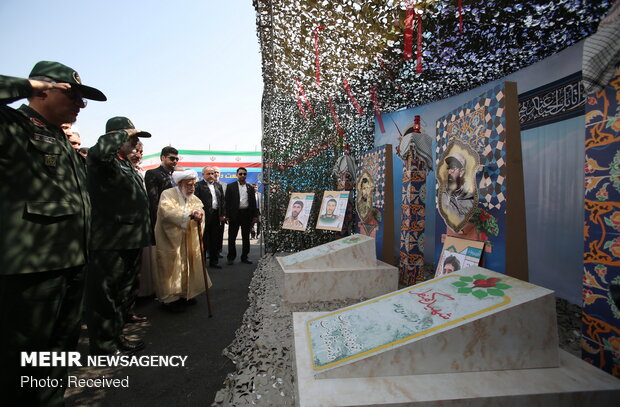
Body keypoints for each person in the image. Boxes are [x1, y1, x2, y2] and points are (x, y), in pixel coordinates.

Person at [0, 61, 106, 406]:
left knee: (59, 352)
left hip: (72, 263)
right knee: (25, 358)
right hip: (32, 270)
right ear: (44, 90)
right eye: (73, 95)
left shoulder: (62, 139)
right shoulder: (13, 127)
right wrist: (28, 85)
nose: (80, 105)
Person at [85, 116, 152, 356]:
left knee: (123, 292)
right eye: (131, 138)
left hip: (131, 238)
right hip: (110, 239)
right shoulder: (104, 161)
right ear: (115, 135)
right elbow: (98, 153)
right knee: (106, 296)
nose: (135, 143)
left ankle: (116, 336)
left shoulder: (125, 163)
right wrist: (121, 134)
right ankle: (103, 346)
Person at [153, 169, 211, 311]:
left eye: (193, 185)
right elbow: (167, 213)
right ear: (180, 185)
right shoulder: (167, 194)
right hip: (170, 240)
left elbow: (200, 208)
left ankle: (185, 294)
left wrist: (199, 214)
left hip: (187, 240)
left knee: (187, 266)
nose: (192, 188)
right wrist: (189, 215)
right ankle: (169, 299)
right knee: (170, 268)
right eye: (189, 185)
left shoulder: (193, 197)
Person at [225, 167, 259, 265]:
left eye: (244, 174)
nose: (242, 175)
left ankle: (245, 257)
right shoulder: (231, 186)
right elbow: (227, 202)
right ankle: (231, 257)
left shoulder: (250, 187)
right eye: (240, 174)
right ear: (237, 175)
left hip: (246, 215)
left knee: (245, 237)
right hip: (234, 215)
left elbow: (253, 203)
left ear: (246, 175)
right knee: (232, 237)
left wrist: (255, 216)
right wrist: (226, 215)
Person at [145, 146, 179, 236]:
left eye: (177, 159)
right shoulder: (152, 173)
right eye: (172, 158)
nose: (175, 161)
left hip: (177, 217)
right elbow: (153, 200)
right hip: (162, 218)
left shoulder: (177, 176)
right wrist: (158, 220)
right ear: (163, 158)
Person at [195, 166, 225, 269]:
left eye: (212, 173)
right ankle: (202, 263)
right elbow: (195, 202)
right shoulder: (198, 185)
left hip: (216, 216)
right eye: (208, 174)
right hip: (204, 216)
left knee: (214, 240)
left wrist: (222, 214)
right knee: (204, 240)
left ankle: (214, 261)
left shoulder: (218, 186)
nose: (211, 176)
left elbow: (222, 201)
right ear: (203, 174)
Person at [439, 152, 474, 221]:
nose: (449, 172)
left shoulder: (469, 194)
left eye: (453, 168)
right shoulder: (443, 193)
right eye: (449, 168)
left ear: (461, 172)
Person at [214, 166, 227, 257]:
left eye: (217, 172)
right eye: (214, 172)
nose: (215, 174)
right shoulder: (205, 185)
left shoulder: (225, 185)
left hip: (221, 214)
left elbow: (227, 201)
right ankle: (209, 252)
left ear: (220, 174)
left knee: (219, 233)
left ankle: (218, 251)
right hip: (210, 214)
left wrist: (225, 214)